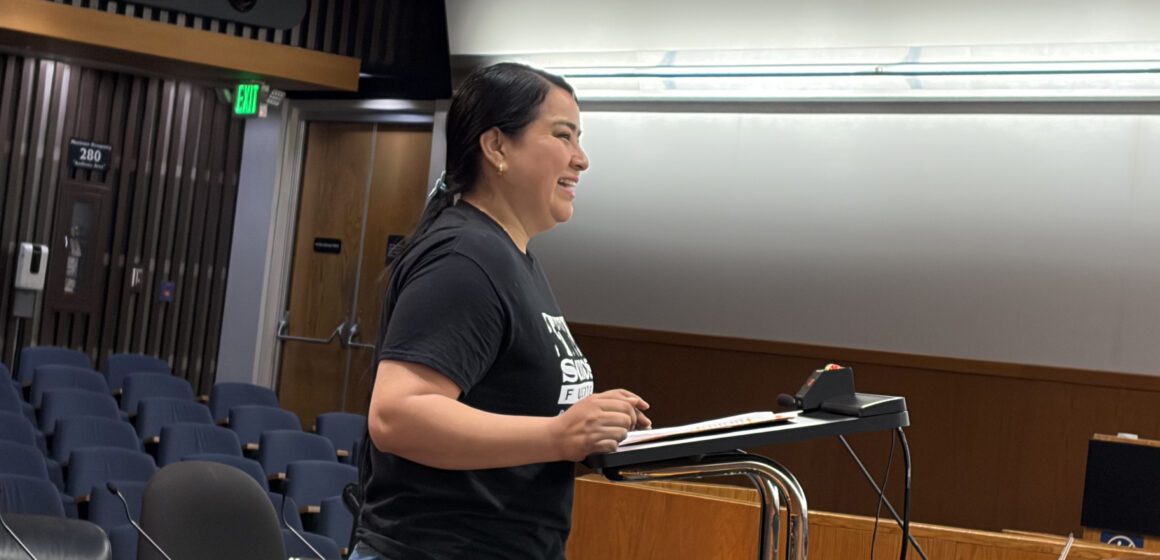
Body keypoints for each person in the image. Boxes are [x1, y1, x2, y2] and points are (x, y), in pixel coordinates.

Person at [350, 62, 652, 560]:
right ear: (497, 147)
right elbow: (397, 415)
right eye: (563, 136)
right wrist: (559, 434)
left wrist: (591, 424)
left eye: (579, 139)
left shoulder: (510, 256)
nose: (581, 159)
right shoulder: (464, 257)